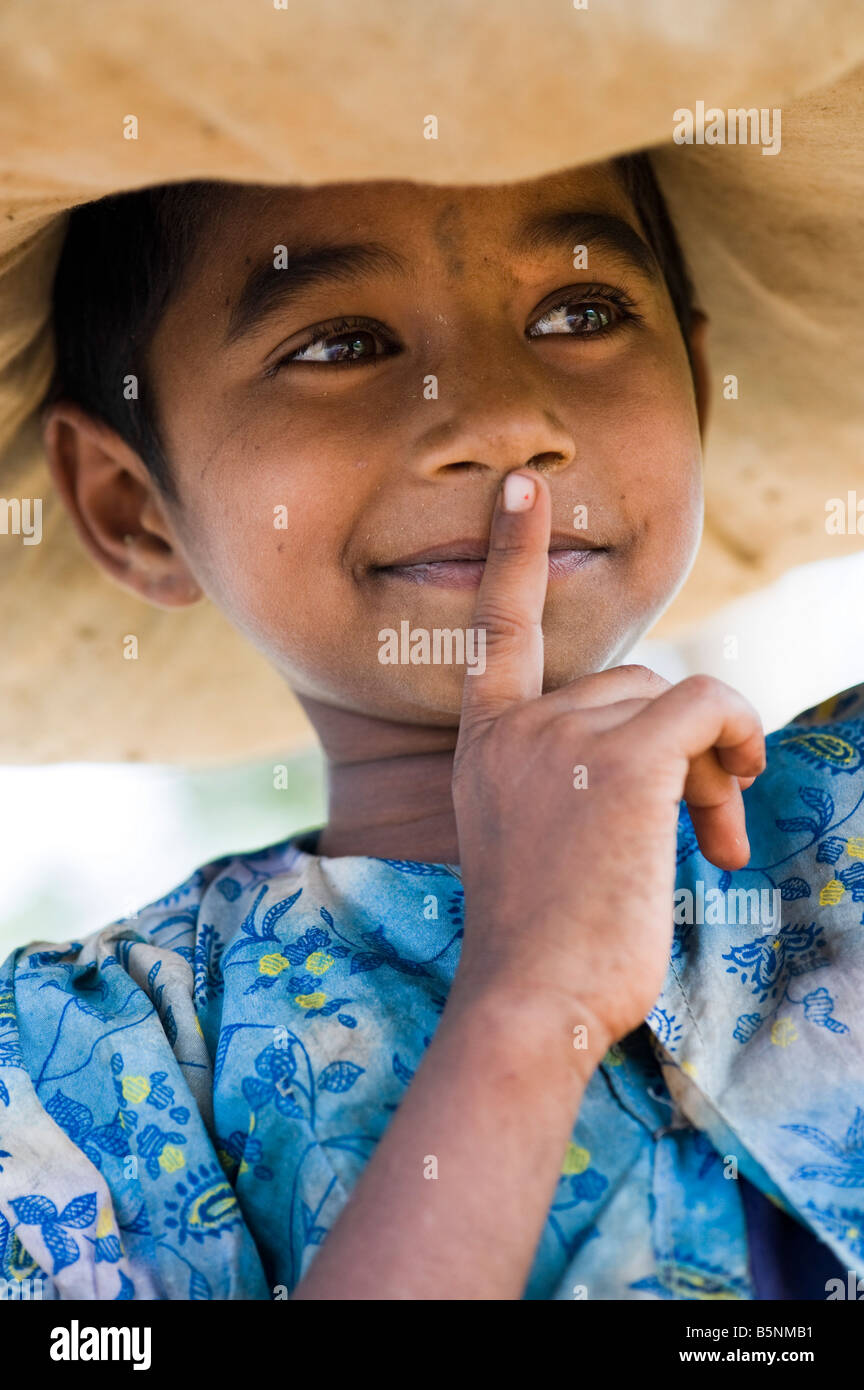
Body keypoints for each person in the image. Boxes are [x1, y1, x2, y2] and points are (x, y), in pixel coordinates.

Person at [0, 156, 859, 1300]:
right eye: (342, 344)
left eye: (582, 311)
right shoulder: (80, 1070)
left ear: (698, 387)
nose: (505, 421)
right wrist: (530, 995)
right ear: (132, 505)